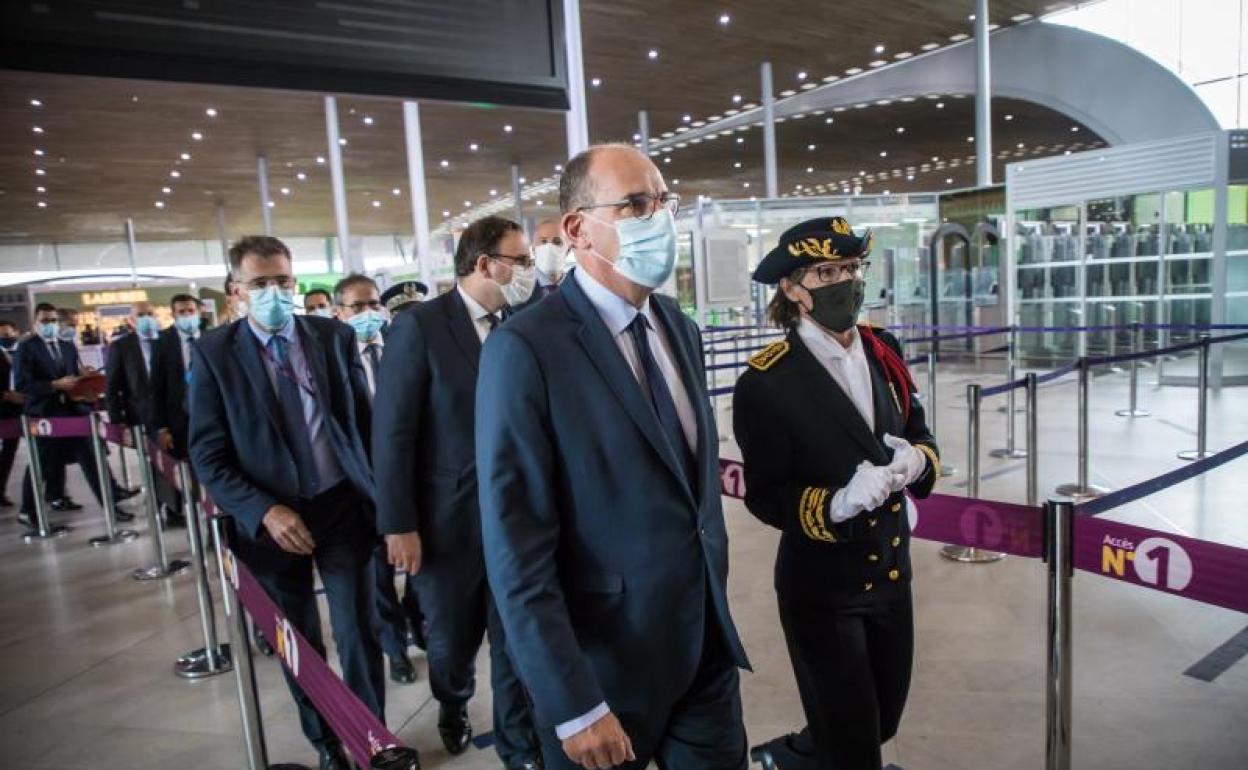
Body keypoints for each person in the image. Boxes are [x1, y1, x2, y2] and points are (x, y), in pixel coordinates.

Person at [476, 143, 750, 770]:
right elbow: (516, 549)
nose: (660, 219)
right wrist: (573, 703)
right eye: (635, 204)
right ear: (577, 228)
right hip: (601, 672)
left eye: (663, 202)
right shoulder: (526, 350)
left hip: (703, 647)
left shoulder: (678, 326)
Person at [733, 216, 941, 770]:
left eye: (851, 267)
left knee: (881, 719)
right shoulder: (767, 381)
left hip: (892, 571)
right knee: (854, 742)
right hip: (823, 588)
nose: (845, 281)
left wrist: (917, 459)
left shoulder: (883, 350)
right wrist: (837, 503)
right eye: (826, 270)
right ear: (792, 287)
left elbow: (919, 431)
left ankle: (795, 755)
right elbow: (766, 493)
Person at [189, 236, 383, 770]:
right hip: (274, 521)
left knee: (358, 630)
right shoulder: (213, 353)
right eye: (260, 284)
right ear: (236, 293)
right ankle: (325, 742)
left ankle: (370, 737)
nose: (274, 293)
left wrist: (382, 498)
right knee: (298, 641)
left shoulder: (332, 337)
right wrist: (264, 511)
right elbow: (207, 453)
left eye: (283, 282)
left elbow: (362, 425)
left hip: (341, 505)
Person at [373, 215, 539, 769]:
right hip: (447, 522)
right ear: (485, 263)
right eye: (521, 260)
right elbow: (394, 430)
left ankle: (519, 745)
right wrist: (399, 523)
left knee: (518, 637)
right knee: (451, 640)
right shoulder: (421, 326)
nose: (530, 272)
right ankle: (453, 699)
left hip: (518, 517)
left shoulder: (524, 320)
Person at [332, 273, 420, 686]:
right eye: (357, 307)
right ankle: (395, 647)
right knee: (379, 578)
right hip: (364, 490)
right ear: (339, 313)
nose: (368, 314)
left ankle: (419, 625)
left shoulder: (404, 347)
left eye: (373, 306)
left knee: (424, 572)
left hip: (414, 483)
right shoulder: (332, 359)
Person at [14, 303, 111, 527]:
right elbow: (22, 384)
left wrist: (83, 383)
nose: (50, 325)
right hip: (43, 413)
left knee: (90, 456)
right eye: (45, 321)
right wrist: (53, 385)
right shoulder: (27, 348)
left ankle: (111, 505)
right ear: (35, 323)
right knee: (42, 462)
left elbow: (73, 376)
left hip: (71, 412)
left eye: (53, 321)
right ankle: (28, 510)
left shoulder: (68, 346)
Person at [106, 301, 168, 521]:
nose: (147, 318)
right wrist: (117, 421)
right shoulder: (121, 347)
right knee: (152, 464)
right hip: (141, 416)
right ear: (131, 321)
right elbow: (112, 386)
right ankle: (156, 506)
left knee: (172, 462)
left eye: (150, 314)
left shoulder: (167, 342)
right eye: (141, 315)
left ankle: (174, 508)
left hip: (170, 415)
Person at [0, 322, 25, 507]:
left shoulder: (21, 352)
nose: (7, 338)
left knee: (10, 452)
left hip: (21, 410)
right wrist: (6, 395)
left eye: (9, 334)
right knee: (4, 454)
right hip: (3, 410)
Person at [531, 218, 566, 297]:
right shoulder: (521, 290)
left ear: (568, 249)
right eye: (544, 241)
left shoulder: (579, 286)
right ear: (533, 249)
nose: (549, 247)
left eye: (557, 242)